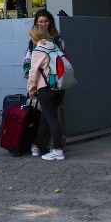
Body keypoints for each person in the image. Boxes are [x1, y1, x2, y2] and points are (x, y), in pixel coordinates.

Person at [27, 24, 66, 161]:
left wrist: (31, 90)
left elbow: (33, 73)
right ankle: (36, 144)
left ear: (33, 37)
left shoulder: (38, 51)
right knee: (46, 117)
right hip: (59, 87)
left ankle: (57, 150)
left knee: (52, 119)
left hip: (46, 88)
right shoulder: (54, 46)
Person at [22, 9, 66, 79]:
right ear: (36, 22)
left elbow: (62, 60)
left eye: (46, 21)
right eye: (41, 22)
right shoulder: (32, 41)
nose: (43, 24)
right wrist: (32, 73)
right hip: (37, 78)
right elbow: (27, 61)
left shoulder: (57, 40)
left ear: (50, 22)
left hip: (53, 77)